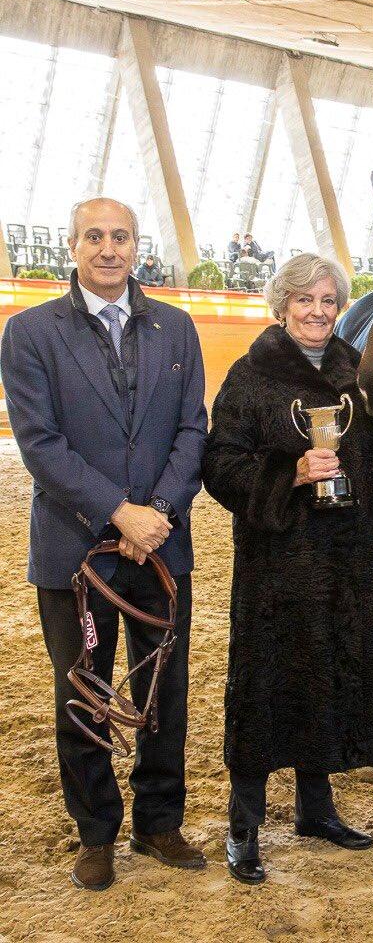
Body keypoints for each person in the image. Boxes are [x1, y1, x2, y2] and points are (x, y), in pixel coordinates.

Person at [201, 253, 373, 885]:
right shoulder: (249, 378)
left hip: (350, 560)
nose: (317, 312)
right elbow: (219, 465)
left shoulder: (356, 378)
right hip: (279, 565)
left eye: (328, 301)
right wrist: (291, 474)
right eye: (304, 301)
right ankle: (244, 823)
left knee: (329, 677)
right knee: (266, 684)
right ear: (282, 307)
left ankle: (316, 809)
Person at [0, 197, 208, 891]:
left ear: (137, 247)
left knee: (164, 692)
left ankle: (158, 822)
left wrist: (156, 514)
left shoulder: (177, 330)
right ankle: (95, 833)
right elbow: (40, 445)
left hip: (161, 546)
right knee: (84, 695)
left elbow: (190, 433)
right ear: (72, 246)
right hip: (74, 552)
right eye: (95, 236)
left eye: (120, 236)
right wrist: (119, 512)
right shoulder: (29, 333)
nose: (109, 248)